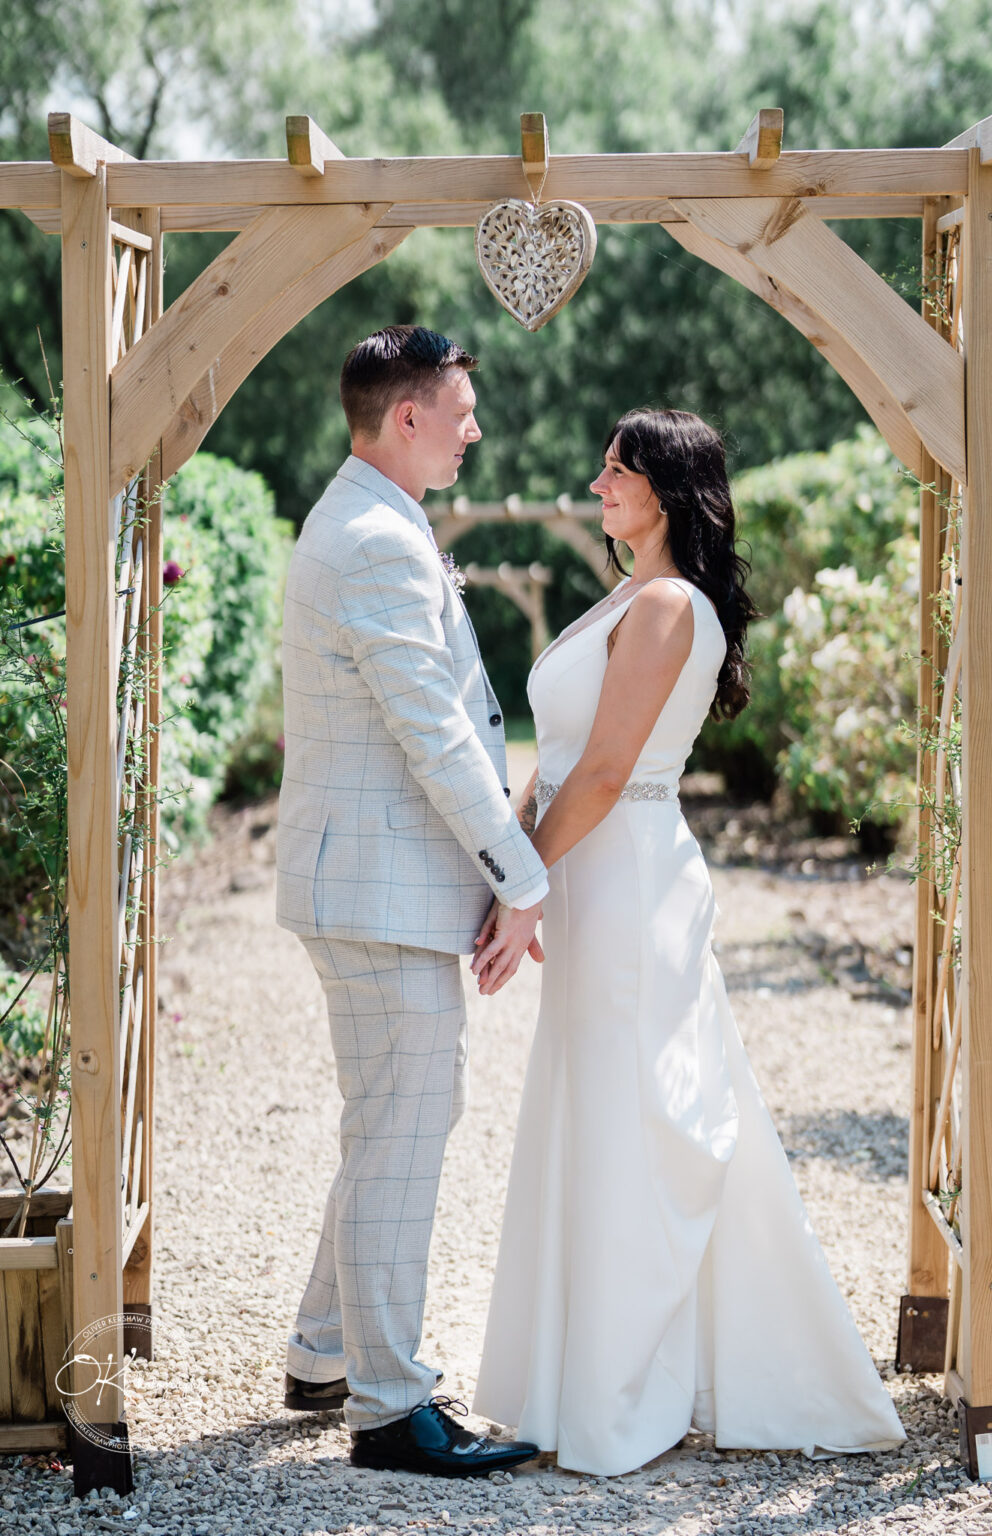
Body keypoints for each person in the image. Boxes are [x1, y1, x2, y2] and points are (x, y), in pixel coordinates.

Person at [471, 407, 906, 1476]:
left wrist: (529, 883)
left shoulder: (667, 604)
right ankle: (577, 1379)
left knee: (636, 1118)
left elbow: (611, 769)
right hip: (587, 875)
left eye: (617, 467)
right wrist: (508, 870)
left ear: (666, 489)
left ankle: (623, 1397)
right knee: (593, 1105)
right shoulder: (625, 594)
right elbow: (559, 754)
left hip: (627, 883)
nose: (597, 478)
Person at [276, 325, 549, 1476]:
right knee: (401, 1139)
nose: (474, 428)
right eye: (460, 410)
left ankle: (323, 1352)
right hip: (377, 889)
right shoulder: (378, 538)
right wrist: (520, 879)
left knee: (394, 1123)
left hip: (367, 882)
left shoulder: (369, 516)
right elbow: (433, 733)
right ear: (406, 419)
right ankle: (390, 1412)